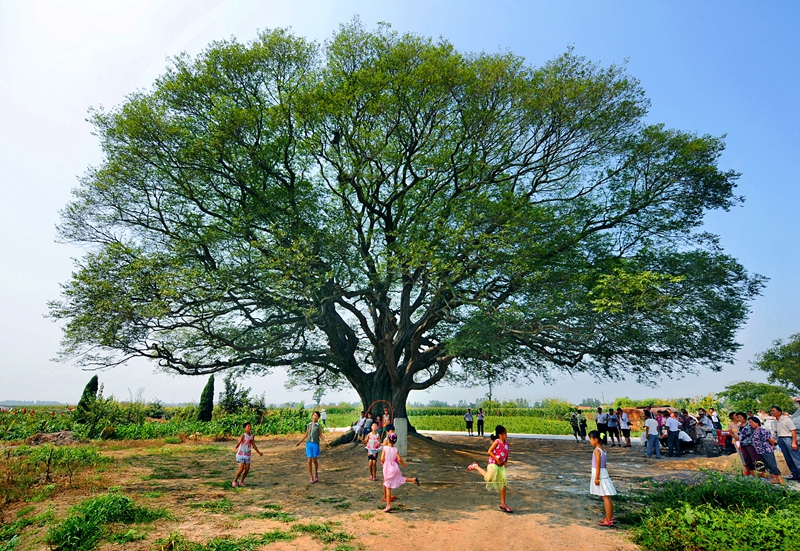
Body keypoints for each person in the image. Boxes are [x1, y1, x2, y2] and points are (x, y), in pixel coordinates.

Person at [467, 425, 512, 513]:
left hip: (501, 466)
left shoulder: (507, 444)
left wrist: (505, 462)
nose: (506, 435)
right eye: (504, 433)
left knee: (503, 483)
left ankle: (503, 503)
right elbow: (489, 451)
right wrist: (497, 459)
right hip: (493, 463)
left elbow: (506, 455)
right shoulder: (497, 442)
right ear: (500, 434)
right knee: (489, 478)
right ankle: (476, 466)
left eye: (506, 433)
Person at [381, 433, 419, 512]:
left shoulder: (385, 448)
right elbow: (399, 459)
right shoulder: (396, 450)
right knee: (400, 478)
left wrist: (383, 463)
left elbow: (382, 458)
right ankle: (413, 479)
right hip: (395, 467)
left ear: (388, 440)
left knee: (388, 487)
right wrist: (403, 464)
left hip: (388, 468)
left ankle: (388, 505)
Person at [588, 430, 616, 527]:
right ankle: (610, 517)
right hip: (603, 472)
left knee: (605, 497)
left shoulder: (596, 451)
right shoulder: (602, 450)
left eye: (590, 439)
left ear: (596, 439)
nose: (590, 441)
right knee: (606, 496)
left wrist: (597, 478)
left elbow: (598, 464)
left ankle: (608, 519)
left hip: (599, 474)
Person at [296, 411, 330, 484]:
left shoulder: (318, 426)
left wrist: (325, 440)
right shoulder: (309, 425)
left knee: (315, 460)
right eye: (314, 415)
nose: (315, 417)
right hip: (308, 444)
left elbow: (320, 435)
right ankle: (311, 477)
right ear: (312, 416)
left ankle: (316, 474)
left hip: (315, 444)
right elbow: (306, 435)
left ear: (318, 417)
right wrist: (299, 442)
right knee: (309, 461)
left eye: (316, 416)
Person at [750, 416, 785, 485]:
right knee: (767, 465)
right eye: (750, 423)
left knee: (771, 464)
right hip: (760, 451)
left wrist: (773, 445)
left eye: (752, 422)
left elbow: (771, 440)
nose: (751, 424)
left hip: (766, 450)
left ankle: (780, 479)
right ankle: (774, 478)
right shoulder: (754, 431)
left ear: (757, 422)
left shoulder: (762, 430)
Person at [770, 405, 800, 481]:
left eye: (774, 411)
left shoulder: (787, 420)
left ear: (779, 412)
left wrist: (793, 442)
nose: (772, 412)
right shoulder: (774, 422)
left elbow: (793, 431)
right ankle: (795, 474)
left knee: (796, 458)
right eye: (771, 411)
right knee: (788, 458)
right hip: (781, 439)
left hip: (788, 438)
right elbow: (775, 433)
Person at [232, 422, 263, 487]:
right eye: (248, 426)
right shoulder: (243, 435)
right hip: (240, 454)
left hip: (247, 455)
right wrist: (236, 447)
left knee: (247, 469)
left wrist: (258, 452)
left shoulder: (252, 436)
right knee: (241, 469)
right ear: (245, 428)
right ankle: (235, 481)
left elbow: (253, 445)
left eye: (250, 426)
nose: (250, 427)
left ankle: (241, 481)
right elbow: (239, 442)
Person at [738, 412, 759, 477]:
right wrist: (739, 444)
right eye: (738, 417)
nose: (739, 419)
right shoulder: (739, 426)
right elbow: (739, 436)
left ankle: (761, 473)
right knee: (747, 459)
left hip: (750, 444)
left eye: (740, 417)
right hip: (743, 444)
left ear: (744, 418)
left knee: (755, 458)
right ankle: (752, 473)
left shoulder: (750, 425)